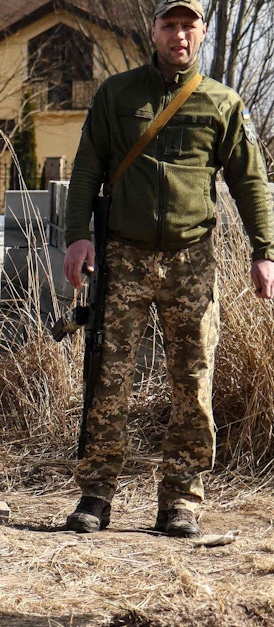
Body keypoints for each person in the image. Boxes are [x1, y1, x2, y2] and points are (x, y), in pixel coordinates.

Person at [60, 0, 274, 538]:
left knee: (193, 381)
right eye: (169, 25)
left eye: (188, 25)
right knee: (108, 379)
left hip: (192, 260)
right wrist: (78, 237)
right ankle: (96, 494)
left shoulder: (223, 102)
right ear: (152, 30)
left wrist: (264, 251)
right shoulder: (116, 94)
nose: (179, 35)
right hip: (123, 257)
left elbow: (251, 181)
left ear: (202, 32)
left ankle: (181, 500)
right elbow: (87, 165)